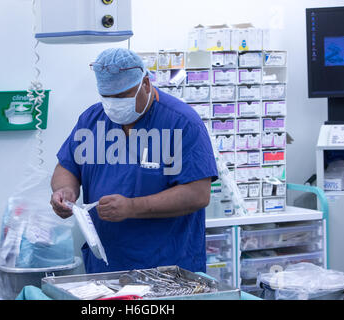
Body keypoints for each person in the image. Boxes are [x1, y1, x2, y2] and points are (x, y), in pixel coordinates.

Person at [50, 48, 218, 274]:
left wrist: (132, 207)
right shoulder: (92, 120)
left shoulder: (181, 123)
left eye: (122, 96)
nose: (113, 104)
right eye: (107, 97)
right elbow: (67, 166)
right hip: (107, 267)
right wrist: (64, 191)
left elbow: (198, 193)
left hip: (168, 268)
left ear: (146, 84)